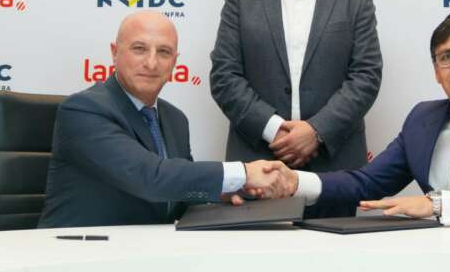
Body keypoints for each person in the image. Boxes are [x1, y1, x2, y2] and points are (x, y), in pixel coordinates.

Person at [283, 9, 450, 227]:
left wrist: (436, 204)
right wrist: (294, 181)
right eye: (446, 57)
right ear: (437, 72)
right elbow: (365, 183)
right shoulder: (422, 119)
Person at [209, 0, 383, 217]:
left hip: (335, 168)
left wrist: (316, 131)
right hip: (257, 166)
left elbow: (366, 76)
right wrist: (275, 130)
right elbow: (224, 76)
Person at [38, 12, 291, 228]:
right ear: (115, 53)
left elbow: (176, 194)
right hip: (77, 252)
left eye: (164, 52)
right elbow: (149, 177)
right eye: (139, 49)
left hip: (148, 251)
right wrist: (243, 173)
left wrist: (223, 192)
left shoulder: (175, 119)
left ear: (174, 63)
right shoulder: (83, 110)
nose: (151, 63)